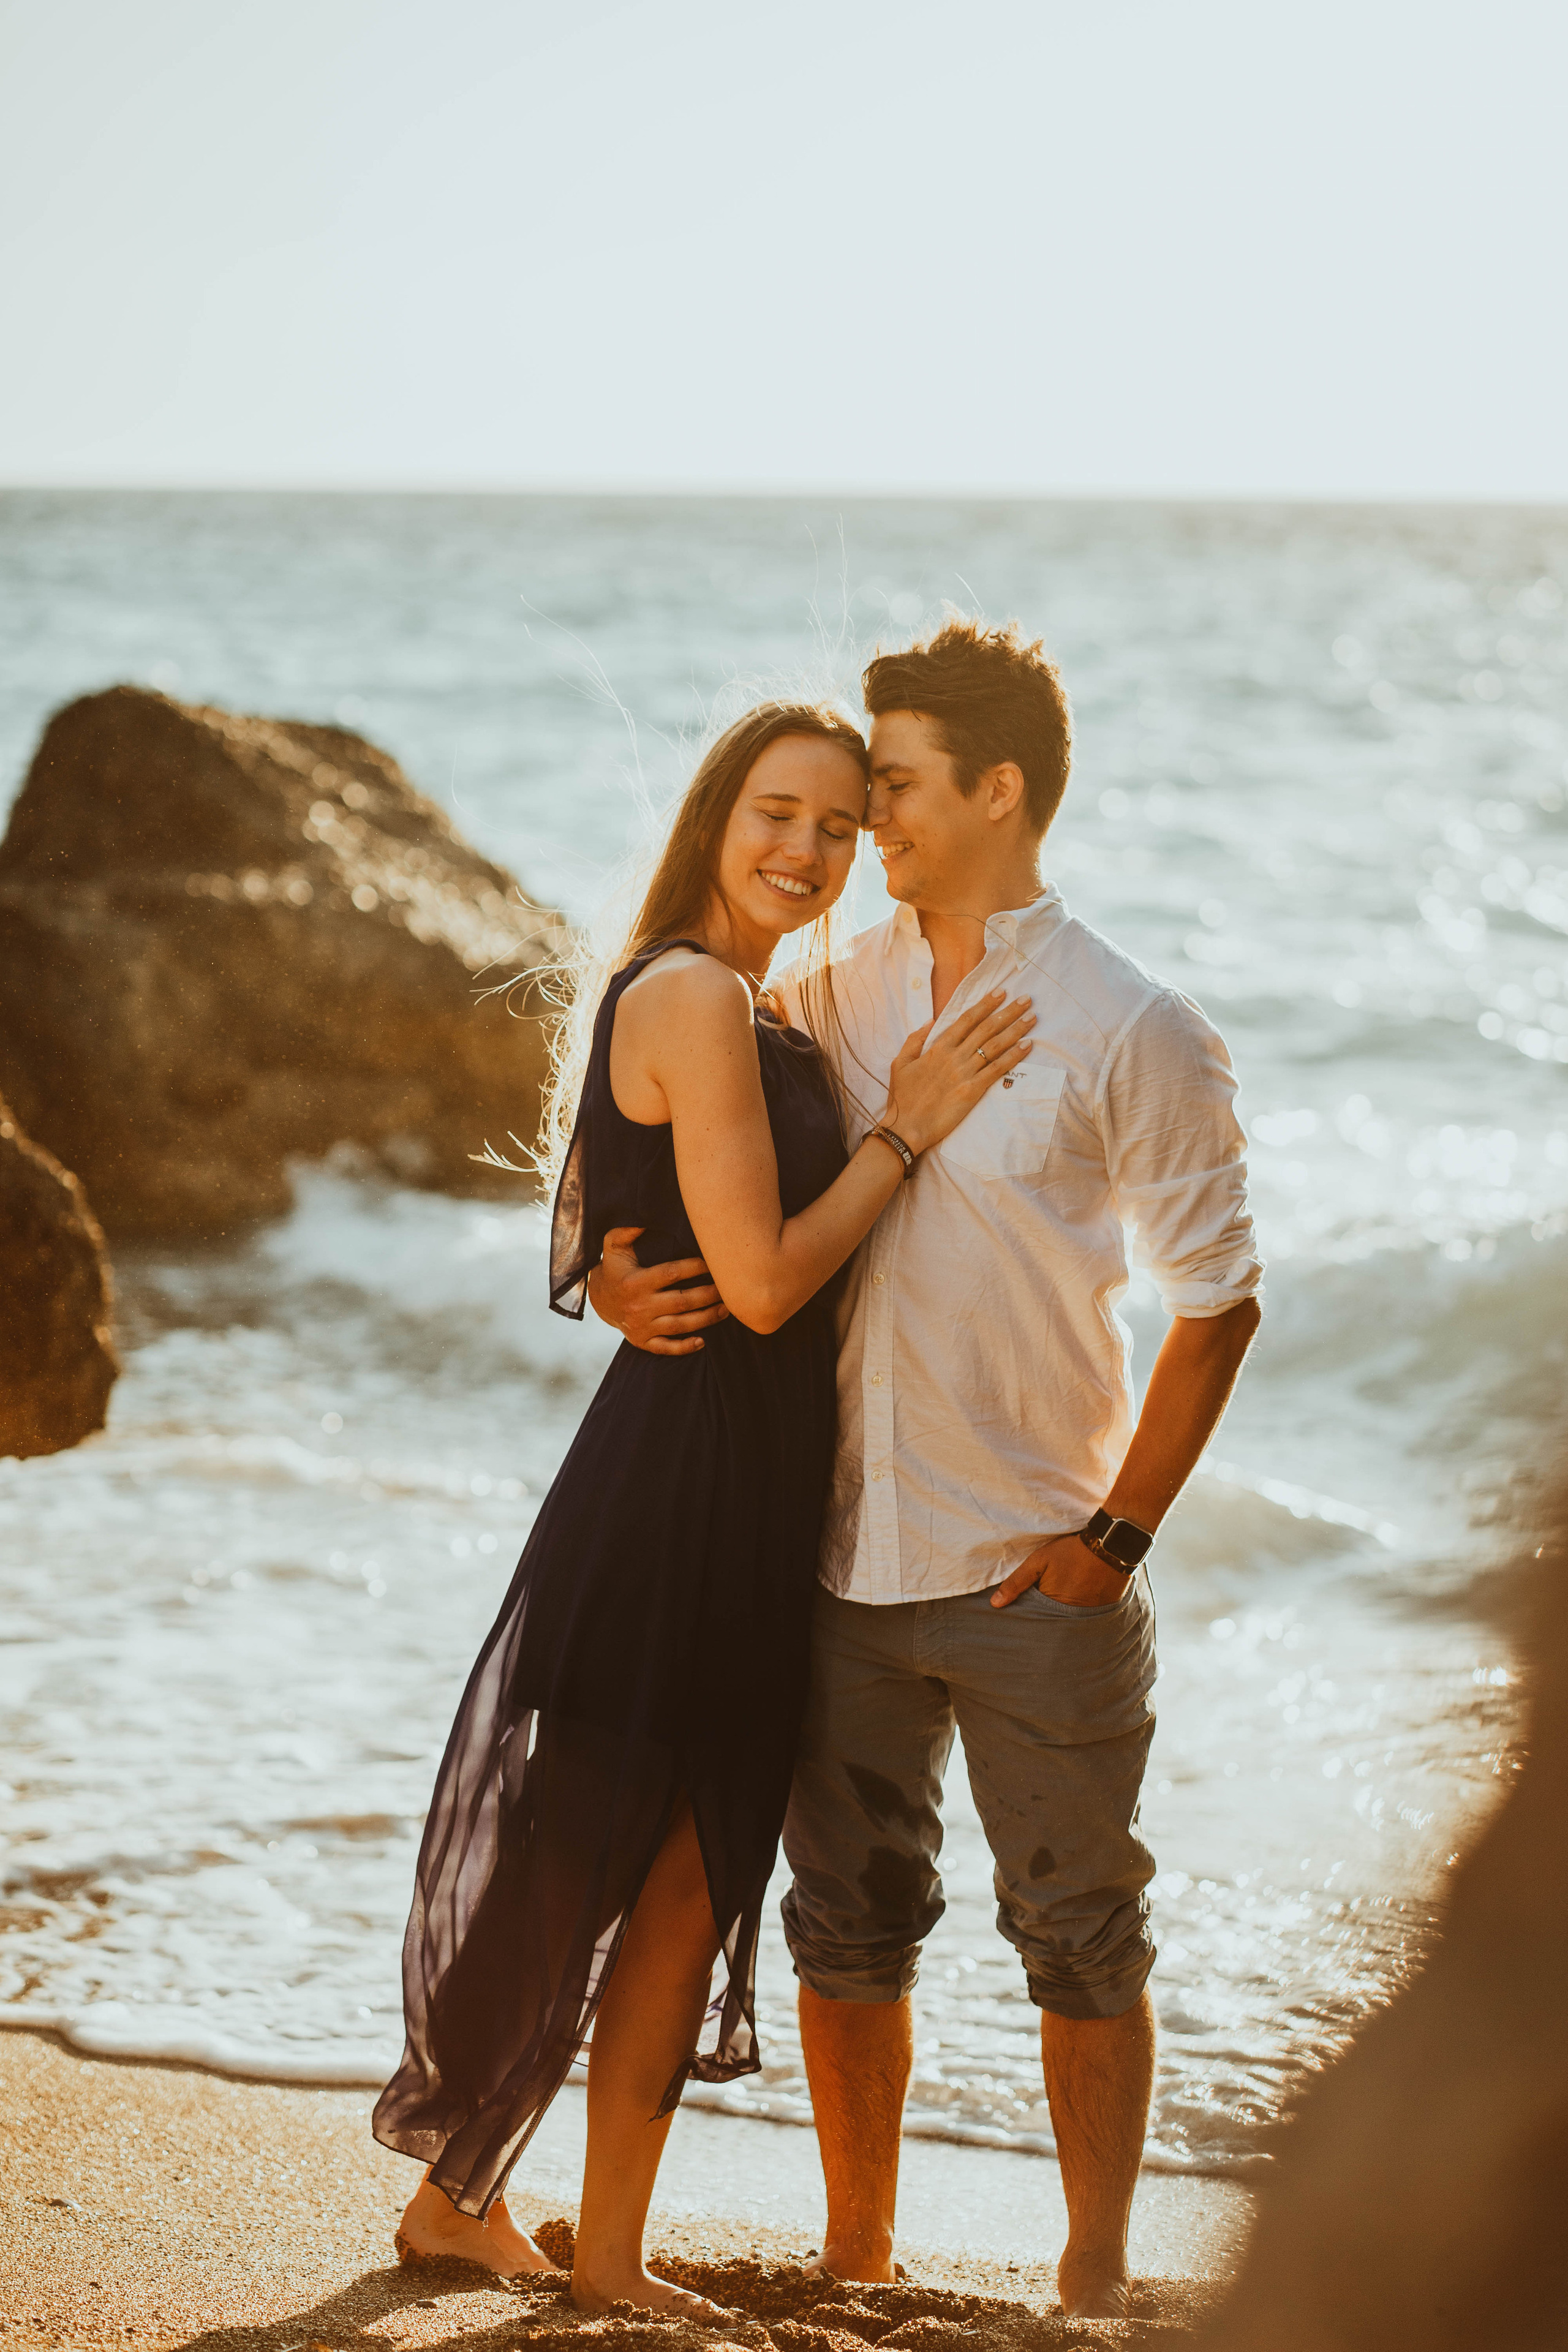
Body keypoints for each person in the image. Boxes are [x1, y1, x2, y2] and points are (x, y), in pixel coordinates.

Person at [590, 622, 1265, 2320]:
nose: (863, 819)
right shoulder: (824, 989)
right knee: (845, 1926)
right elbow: (670, 1129)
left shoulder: (1136, 1027)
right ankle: (856, 2249)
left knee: (1085, 1935)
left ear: (999, 790)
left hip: (1035, 1560)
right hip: (828, 1557)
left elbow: (1219, 1302)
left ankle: (1096, 2279)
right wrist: (600, 1260)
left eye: (891, 786)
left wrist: (1113, 1539)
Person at [372, 699, 1036, 2322]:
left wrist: (604, 1262)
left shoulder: (742, 995)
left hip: (734, 1479)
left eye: (832, 825)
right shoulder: (693, 993)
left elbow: (614, 1197)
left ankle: (556, 2238)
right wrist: (907, 1131)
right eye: (774, 813)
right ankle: (503, 2219)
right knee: (605, 1858)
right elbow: (754, 1282)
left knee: (666, 1874)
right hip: (686, 1485)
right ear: (714, 814)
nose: (803, 849)